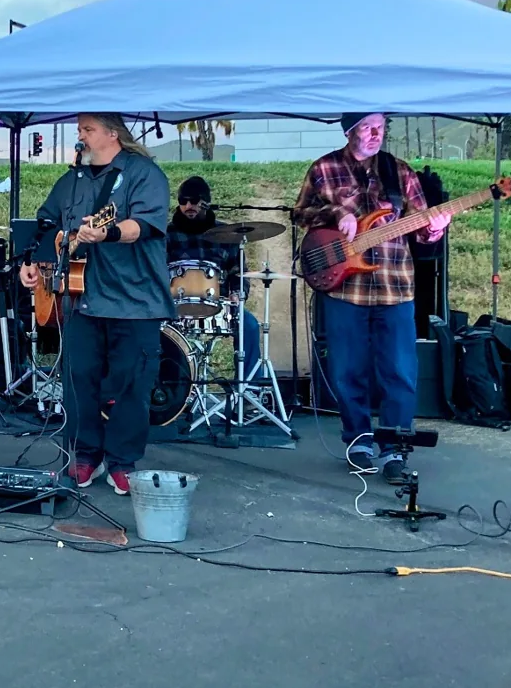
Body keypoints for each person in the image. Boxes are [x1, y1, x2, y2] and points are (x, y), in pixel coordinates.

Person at [20, 114, 171, 495]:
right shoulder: (72, 180)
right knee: (78, 381)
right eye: (80, 130)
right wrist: (32, 263)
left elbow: (145, 225)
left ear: (111, 133)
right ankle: (85, 455)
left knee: (131, 385)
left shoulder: (143, 173)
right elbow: (43, 223)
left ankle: (122, 460)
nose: (81, 136)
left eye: (87, 129)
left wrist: (110, 231)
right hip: (80, 299)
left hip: (135, 299)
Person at [293, 112, 450, 479]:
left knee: (399, 370)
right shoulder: (324, 168)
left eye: (381, 127)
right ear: (350, 131)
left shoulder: (400, 171)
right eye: (367, 126)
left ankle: (395, 447)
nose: (376, 133)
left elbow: (420, 227)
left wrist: (436, 230)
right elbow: (300, 213)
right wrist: (336, 215)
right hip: (345, 286)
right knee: (348, 368)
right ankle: (358, 440)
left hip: (396, 285)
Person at [165, 175, 263, 382]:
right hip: (174, 307)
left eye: (194, 200)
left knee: (250, 326)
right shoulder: (168, 234)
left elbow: (239, 273)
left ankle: (249, 391)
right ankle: (173, 389)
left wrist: (238, 294)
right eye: (183, 201)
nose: (188, 206)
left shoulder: (227, 233)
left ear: (206, 202)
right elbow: (156, 272)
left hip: (219, 305)